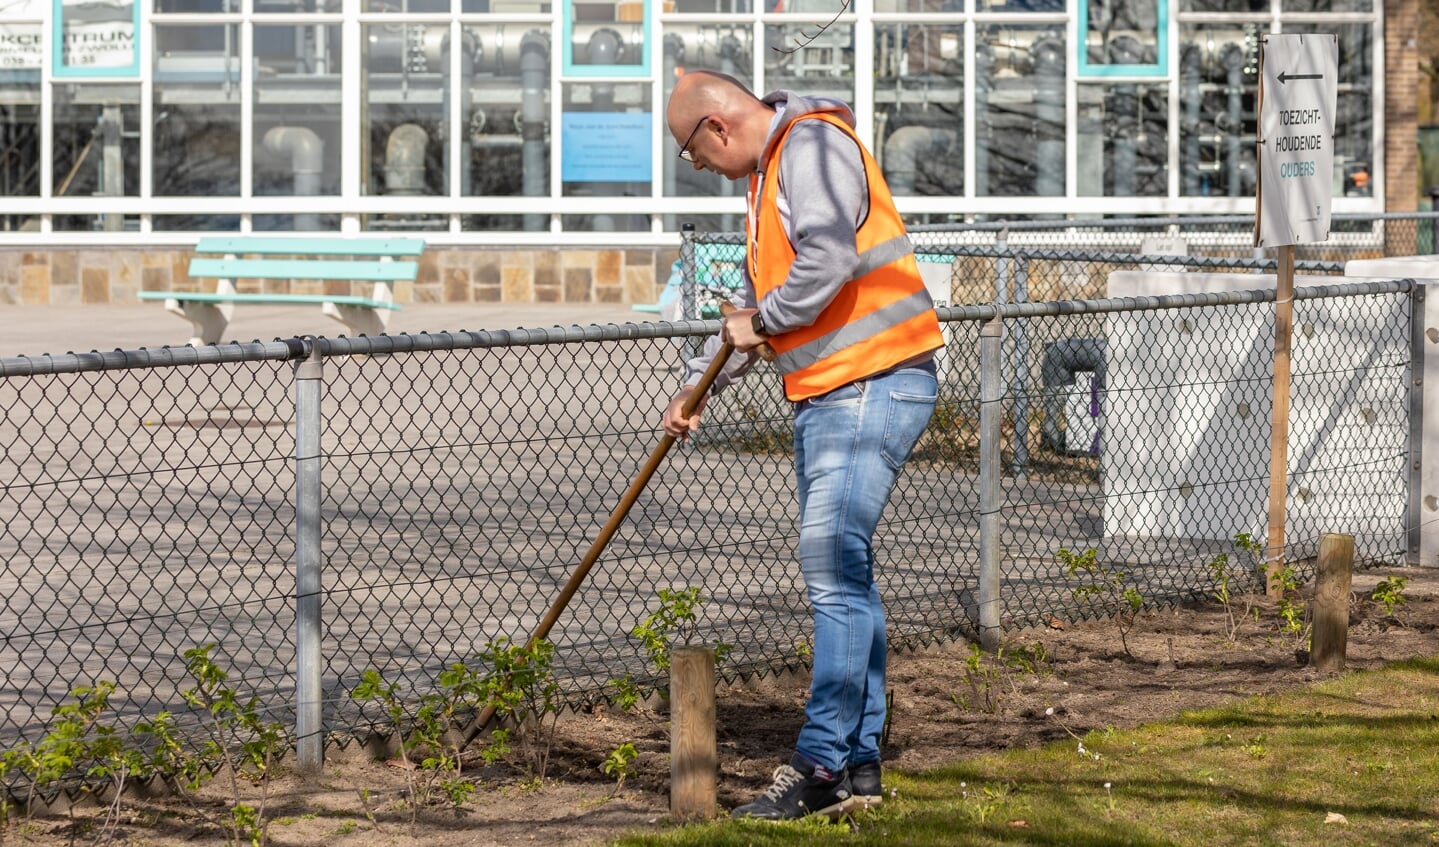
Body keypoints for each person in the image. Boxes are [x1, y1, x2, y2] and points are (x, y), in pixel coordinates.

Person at [661, 71, 945, 821]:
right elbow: (759, 314)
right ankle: (858, 765)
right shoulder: (769, 176)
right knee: (846, 574)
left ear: (716, 127)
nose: (701, 170)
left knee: (830, 566)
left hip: (869, 382)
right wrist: (695, 392)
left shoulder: (811, 147)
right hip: (834, 391)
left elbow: (823, 267)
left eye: (693, 156)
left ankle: (817, 764)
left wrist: (757, 325)